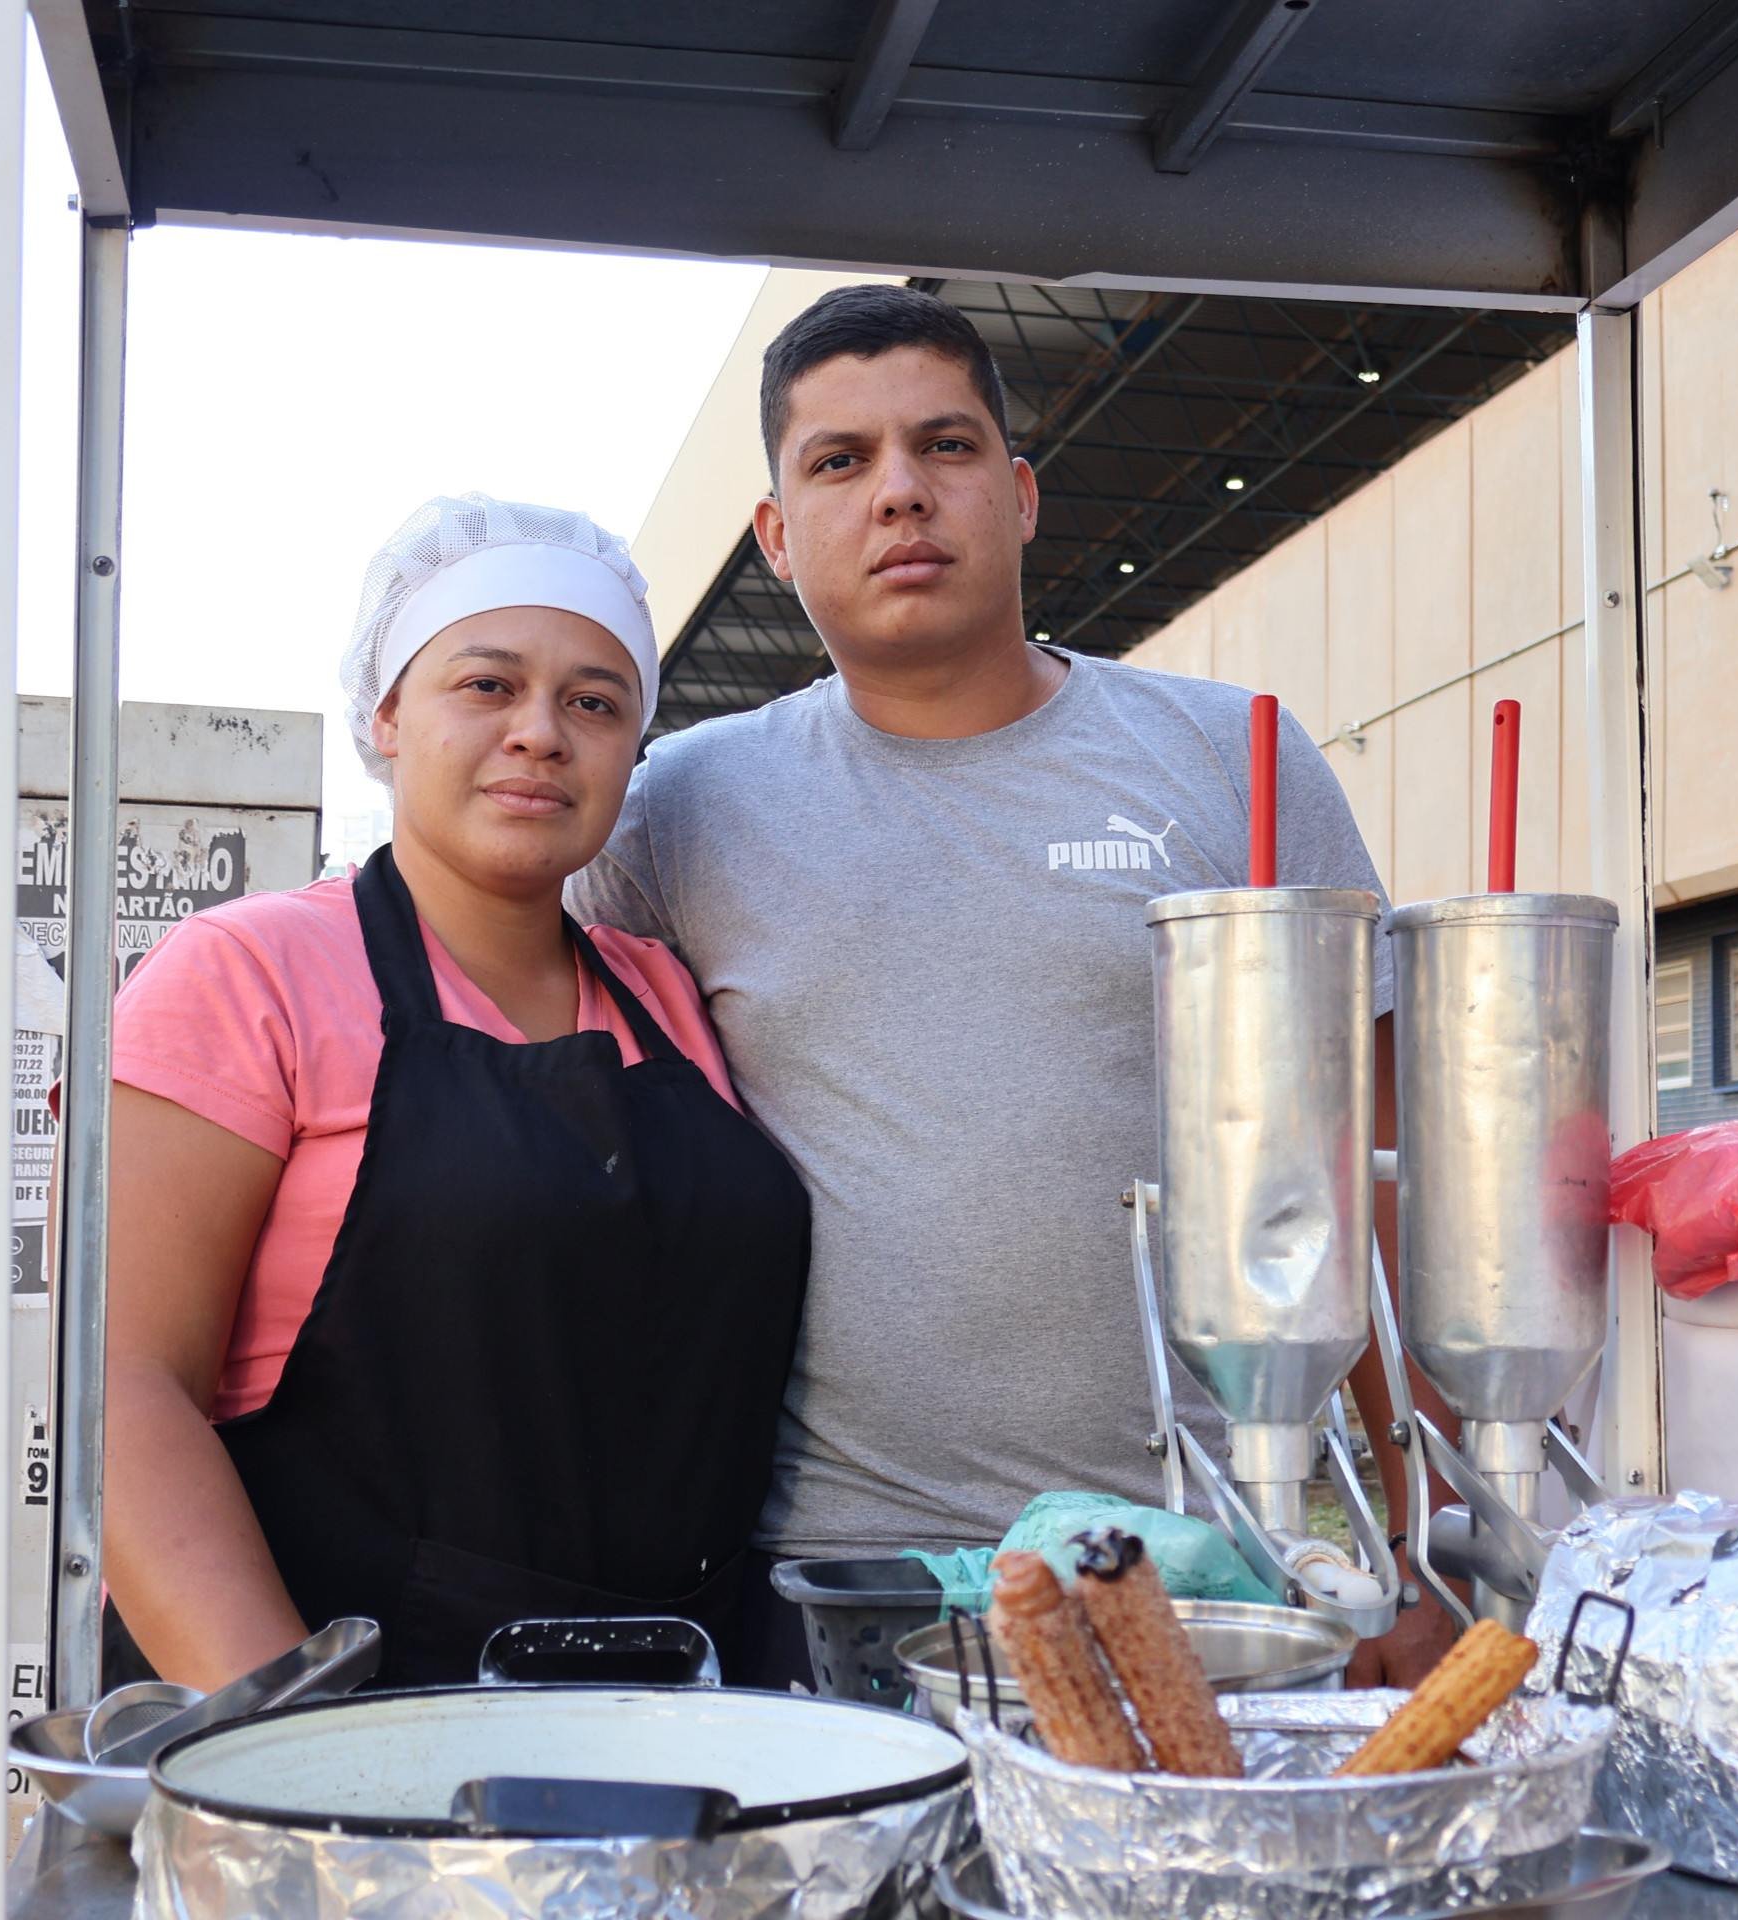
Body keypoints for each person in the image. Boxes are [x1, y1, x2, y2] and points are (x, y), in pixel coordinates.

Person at [569, 286, 1461, 1685]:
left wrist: (1420, 1536)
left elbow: (1386, 1174)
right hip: (855, 1581)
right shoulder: (675, 814)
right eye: (841, 463)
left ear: (1024, 494)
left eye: (949, 447)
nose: (902, 495)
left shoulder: (1239, 761)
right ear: (776, 533)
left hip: (1222, 1556)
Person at [98, 495, 808, 1689]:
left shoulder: (669, 995)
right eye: (486, 685)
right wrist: (287, 1750)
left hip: (681, 1714)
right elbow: (121, 1395)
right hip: (362, 1737)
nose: (540, 732)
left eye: (594, 701)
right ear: (384, 713)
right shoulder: (246, 974)